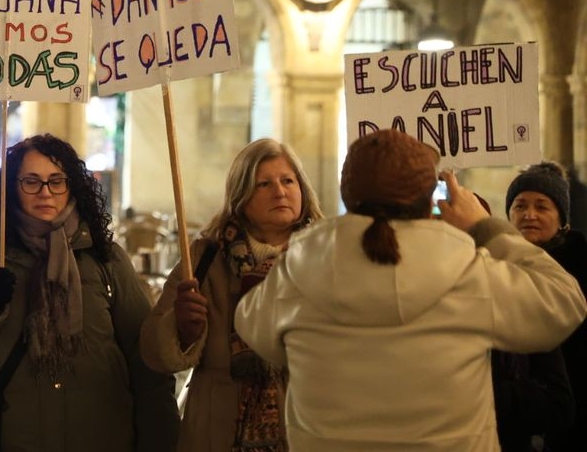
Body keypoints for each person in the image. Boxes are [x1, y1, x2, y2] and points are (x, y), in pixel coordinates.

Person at [234, 129, 587, 451]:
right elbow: (564, 302)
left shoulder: (299, 268)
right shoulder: (468, 271)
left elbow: (254, 328)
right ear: (427, 200)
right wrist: (484, 226)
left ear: (348, 194)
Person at [0, 133, 179, 451]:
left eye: (56, 181)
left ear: (72, 186)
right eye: (31, 181)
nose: (45, 192)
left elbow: (147, 362)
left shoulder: (105, 259)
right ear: (11, 187)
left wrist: (161, 439)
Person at [140, 137, 323, 452]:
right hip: (217, 429)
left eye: (288, 181)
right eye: (264, 184)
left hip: (307, 425)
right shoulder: (205, 257)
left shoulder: (326, 255)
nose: (280, 191)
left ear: (302, 190)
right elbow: (153, 351)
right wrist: (182, 329)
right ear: (241, 197)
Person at [502, 160, 587, 450]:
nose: (530, 215)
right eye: (520, 206)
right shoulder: (497, 266)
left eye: (542, 207)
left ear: (562, 219)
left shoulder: (579, 268)